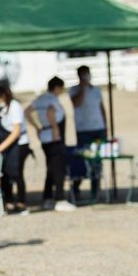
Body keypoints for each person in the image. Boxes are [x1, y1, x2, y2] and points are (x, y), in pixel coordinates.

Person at [30, 77, 76, 212]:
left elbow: (27, 111)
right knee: (58, 169)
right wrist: (55, 128)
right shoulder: (51, 100)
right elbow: (50, 112)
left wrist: (37, 126)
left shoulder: (40, 99)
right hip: (54, 137)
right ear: (57, 87)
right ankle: (60, 198)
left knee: (50, 168)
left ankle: (47, 197)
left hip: (44, 135)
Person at [68, 66, 107, 202]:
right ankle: (76, 186)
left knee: (97, 161)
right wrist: (83, 88)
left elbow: (102, 108)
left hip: (98, 129)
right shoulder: (74, 90)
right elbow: (76, 103)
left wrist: (105, 126)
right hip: (83, 130)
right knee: (83, 160)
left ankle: (96, 191)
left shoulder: (96, 90)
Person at [0, 85, 30, 215]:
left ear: (2, 97)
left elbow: (16, 131)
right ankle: (9, 202)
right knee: (5, 173)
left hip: (19, 144)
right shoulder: (1, 108)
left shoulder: (15, 106)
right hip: (7, 144)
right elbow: (1, 127)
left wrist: (1, 147)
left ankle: (21, 202)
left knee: (17, 173)